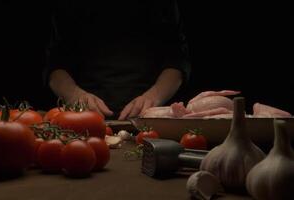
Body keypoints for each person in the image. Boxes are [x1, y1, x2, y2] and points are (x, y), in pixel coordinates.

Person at [45, 0, 191, 120]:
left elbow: (177, 58)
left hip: (151, 119)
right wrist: (74, 95)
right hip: (82, 118)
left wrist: (154, 97)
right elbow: (55, 63)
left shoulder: (163, 5)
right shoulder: (69, 5)